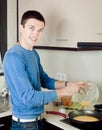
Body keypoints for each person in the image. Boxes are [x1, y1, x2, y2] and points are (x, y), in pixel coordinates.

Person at [3, 10, 88, 130]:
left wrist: (69, 84)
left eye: (40, 30)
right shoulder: (14, 56)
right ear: (21, 28)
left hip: (37, 121)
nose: (36, 34)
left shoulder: (33, 53)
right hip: (24, 125)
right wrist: (64, 92)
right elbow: (29, 98)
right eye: (31, 28)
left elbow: (44, 80)